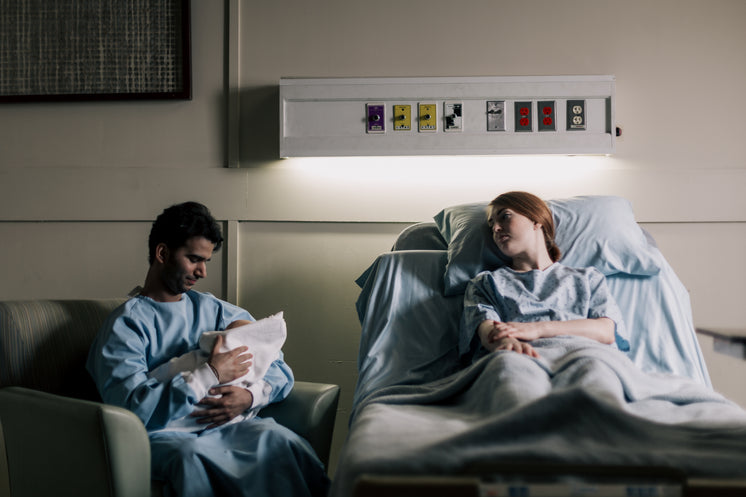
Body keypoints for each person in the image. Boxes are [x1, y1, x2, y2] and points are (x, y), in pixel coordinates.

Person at [86, 201, 329, 497]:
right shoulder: (126, 324)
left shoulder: (214, 309)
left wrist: (249, 396)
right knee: (191, 459)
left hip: (228, 426)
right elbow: (129, 408)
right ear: (162, 253)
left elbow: (277, 368)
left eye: (206, 262)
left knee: (280, 440)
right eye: (193, 259)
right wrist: (211, 373)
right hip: (162, 435)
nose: (201, 271)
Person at [460, 191, 626, 363]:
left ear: (536, 219)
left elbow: (606, 331)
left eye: (505, 216)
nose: (496, 228)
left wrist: (537, 329)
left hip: (584, 356)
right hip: (520, 357)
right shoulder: (486, 283)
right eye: (491, 225)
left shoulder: (588, 279)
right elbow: (487, 330)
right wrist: (505, 343)